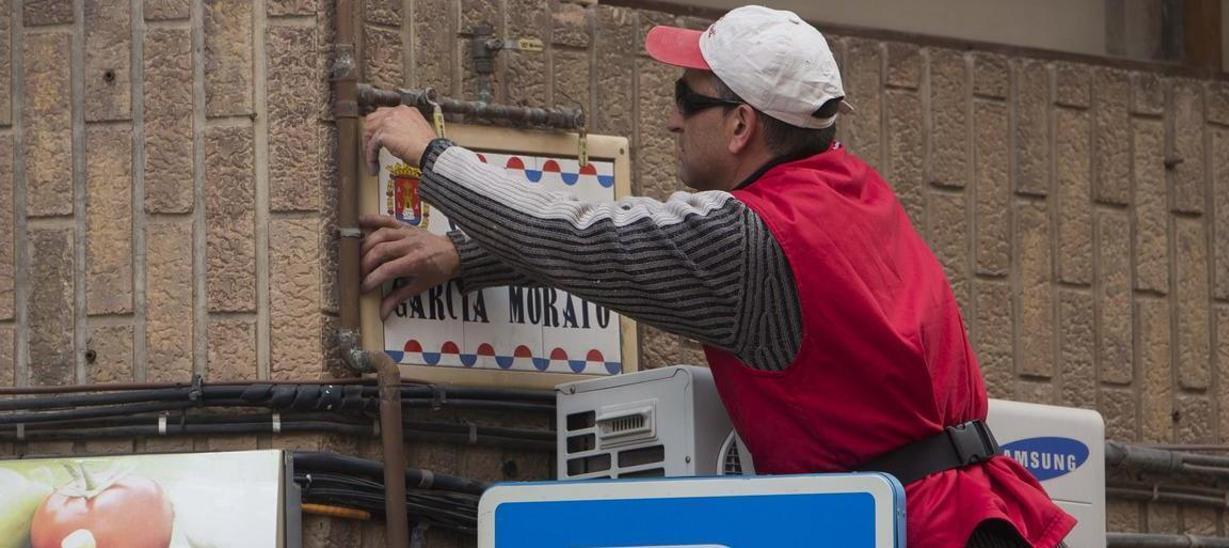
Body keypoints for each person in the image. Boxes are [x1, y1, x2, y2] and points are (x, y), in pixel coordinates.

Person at [360, 5, 1075, 547]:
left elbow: (585, 241)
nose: (671, 121)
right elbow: (649, 248)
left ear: (740, 126)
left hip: (909, 526)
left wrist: (434, 156)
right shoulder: (850, 193)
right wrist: (463, 256)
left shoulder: (750, 239)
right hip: (973, 513)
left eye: (686, 98)